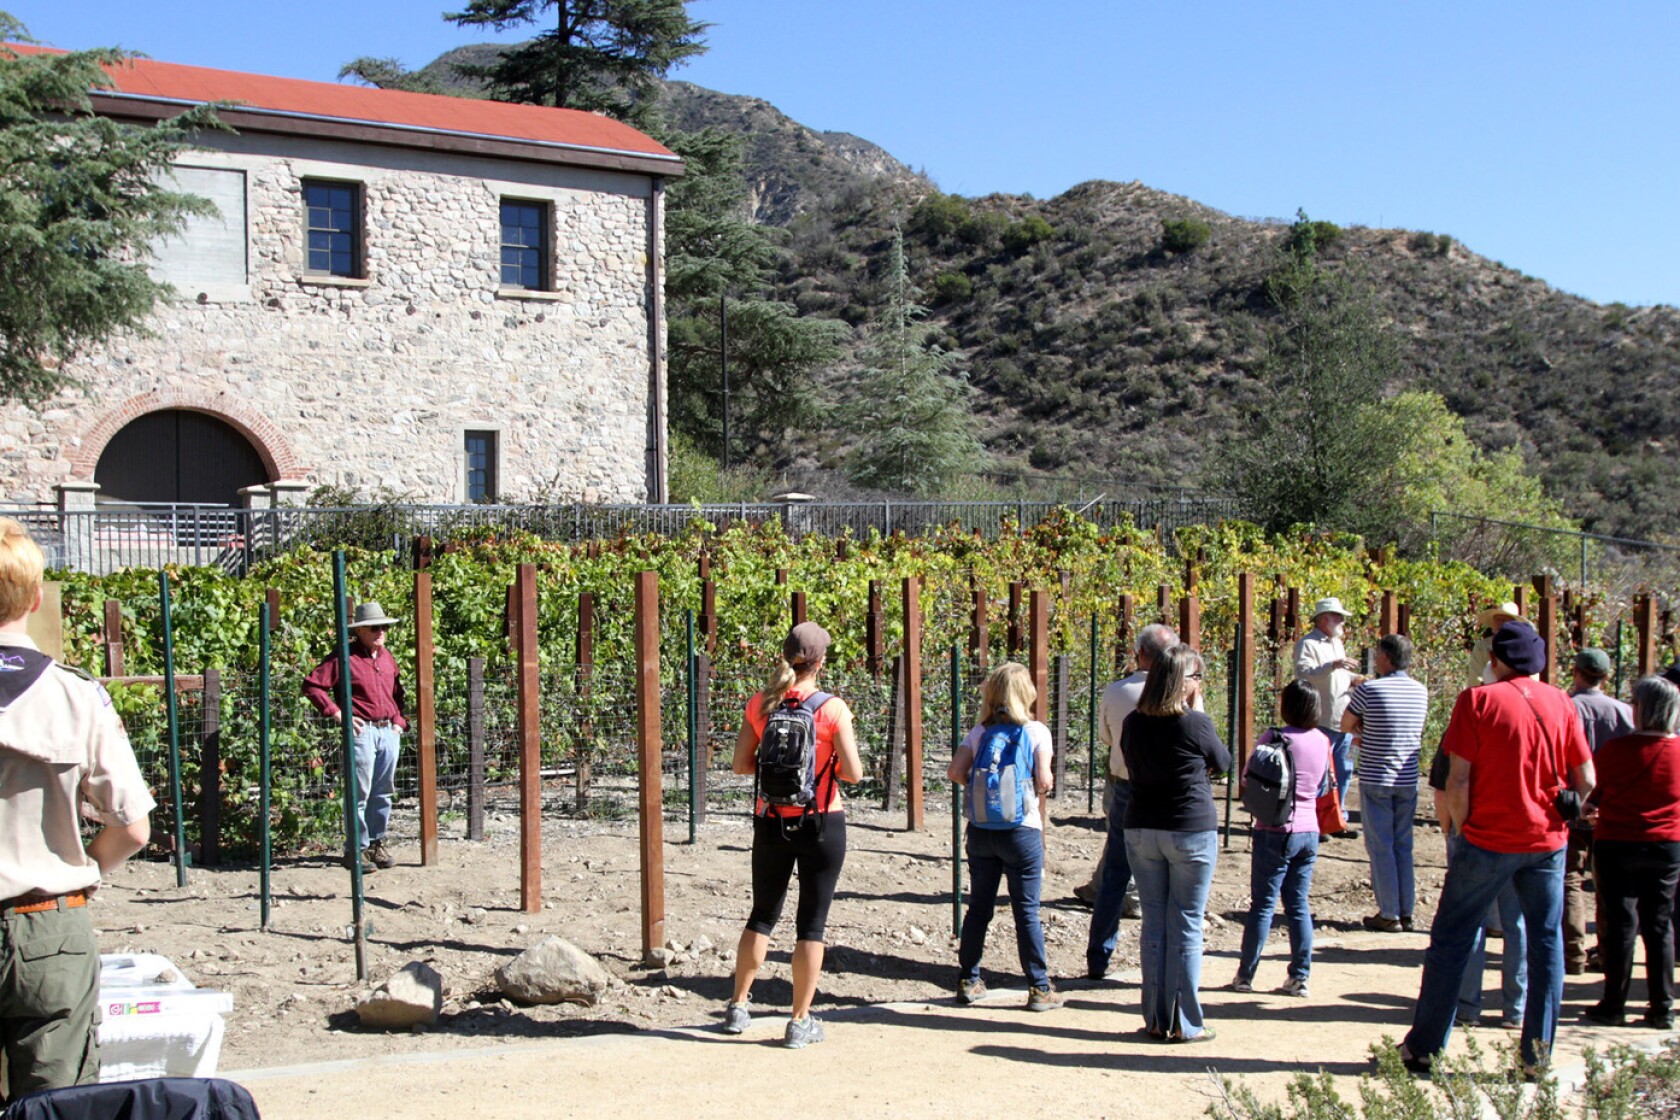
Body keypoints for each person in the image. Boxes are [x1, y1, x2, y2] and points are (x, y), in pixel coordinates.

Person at [0, 518, 155, 1097]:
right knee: (57, 1105)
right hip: (47, 927)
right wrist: (84, 870)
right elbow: (133, 828)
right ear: (36, 597)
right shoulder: (74, 694)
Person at [1399, 621, 1594, 1076]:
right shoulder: (1562, 701)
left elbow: (1458, 777)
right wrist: (1570, 809)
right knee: (1546, 944)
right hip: (1546, 841)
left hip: (1486, 839)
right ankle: (1536, 1058)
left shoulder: (1477, 701)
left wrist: (1461, 830)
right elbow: (1587, 778)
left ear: (1497, 659)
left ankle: (1425, 1049)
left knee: (1453, 940)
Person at [723, 622, 863, 1049]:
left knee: (762, 914)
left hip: (771, 819)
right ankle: (799, 1021)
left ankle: (738, 1006)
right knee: (811, 924)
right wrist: (827, 766)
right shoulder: (832, 709)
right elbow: (853, 774)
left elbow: (742, 766)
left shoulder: (761, 705)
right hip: (821, 821)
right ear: (821, 662)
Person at [1121, 642, 1231, 1042]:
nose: (1200, 684)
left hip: (1141, 828)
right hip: (1189, 830)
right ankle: (1184, 1022)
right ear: (1183, 683)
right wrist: (1198, 713)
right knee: (1185, 923)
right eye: (1197, 677)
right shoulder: (1195, 724)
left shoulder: (1133, 722)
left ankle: (1154, 1017)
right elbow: (1225, 762)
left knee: (1154, 922)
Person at [948, 663, 1060, 1011]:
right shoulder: (1036, 731)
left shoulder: (980, 733)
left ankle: (969, 980)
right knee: (1026, 911)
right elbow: (1044, 780)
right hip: (1022, 831)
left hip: (981, 831)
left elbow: (955, 771)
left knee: (978, 908)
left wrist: (986, 794)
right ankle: (1039, 988)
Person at [1579, 675, 1680, 1029]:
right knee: (1660, 925)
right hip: (1667, 846)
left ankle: (1613, 1003)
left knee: (1621, 925)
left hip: (1617, 843)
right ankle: (1662, 1008)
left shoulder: (1617, 751)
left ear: (1642, 709)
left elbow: (1596, 795)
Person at [1084, 623, 1178, 979]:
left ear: (1140, 653)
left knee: (1115, 874)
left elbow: (1107, 738)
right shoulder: (1183, 694)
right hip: (1170, 794)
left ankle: (1099, 958)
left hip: (1126, 786)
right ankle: (1163, 961)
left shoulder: (1118, 691)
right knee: (1167, 876)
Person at [1231, 681, 1331, 997]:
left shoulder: (1275, 738)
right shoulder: (1323, 740)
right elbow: (1325, 787)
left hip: (1274, 830)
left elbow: (1248, 776)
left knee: (1263, 905)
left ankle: (1245, 976)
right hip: (1309, 831)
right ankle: (1299, 977)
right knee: (1298, 905)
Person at [303, 602, 409, 873]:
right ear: (360, 631)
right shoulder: (343, 657)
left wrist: (399, 721)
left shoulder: (387, 657)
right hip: (362, 732)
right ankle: (355, 850)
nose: (381, 632)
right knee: (359, 792)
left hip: (388, 731)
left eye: (384, 626)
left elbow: (398, 694)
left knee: (383, 791)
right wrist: (338, 714)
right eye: (375, 627)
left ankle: (375, 844)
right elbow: (312, 685)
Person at [1343, 633, 1429, 932]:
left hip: (1376, 775)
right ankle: (1407, 910)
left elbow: (1345, 724)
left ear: (1387, 659)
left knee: (1381, 846)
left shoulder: (1370, 690)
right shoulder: (1421, 691)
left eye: (1378, 654)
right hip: (1408, 778)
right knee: (1403, 844)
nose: (1375, 658)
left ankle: (1389, 912)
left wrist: (1364, 729)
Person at [1565, 648, 1633, 974]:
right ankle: (1608, 952)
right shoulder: (1626, 714)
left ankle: (1573, 954)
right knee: (1609, 883)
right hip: (1612, 810)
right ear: (1605, 677)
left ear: (1575, 671)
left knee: (1569, 880)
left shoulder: (1564, 709)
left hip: (1569, 805)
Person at [1293, 597, 1364, 839]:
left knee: (1344, 770)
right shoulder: (1307, 644)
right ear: (1325, 619)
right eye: (1338, 617)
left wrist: (1355, 677)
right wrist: (1333, 665)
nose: (1342, 621)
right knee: (1320, 773)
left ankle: (1337, 820)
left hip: (1343, 719)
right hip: (1321, 720)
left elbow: (1338, 674)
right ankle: (1316, 822)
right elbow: (1303, 674)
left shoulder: (1337, 644)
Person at [1469, 602, 1522, 686]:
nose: (1500, 623)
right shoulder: (1482, 647)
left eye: (1504, 620)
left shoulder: (1523, 648)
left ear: (1513, 623)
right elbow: (1475, 679)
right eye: (1498, 619)